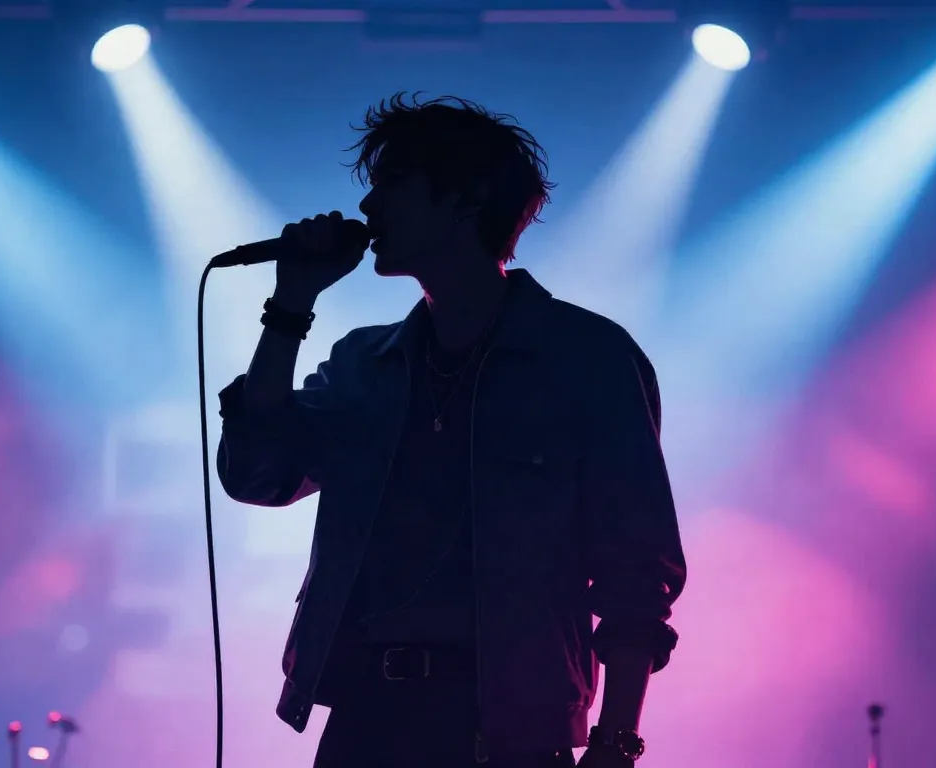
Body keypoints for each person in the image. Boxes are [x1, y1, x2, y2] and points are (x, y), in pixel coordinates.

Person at [216, 94, 686, 768]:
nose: (368, 206)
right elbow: (257, 475)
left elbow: (635, 569)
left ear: (465, 200)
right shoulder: (364, 363)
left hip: (512, 732)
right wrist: (290, 305)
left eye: (393, 183)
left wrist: (616, 741)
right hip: (365, 721)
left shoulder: (587, 358)